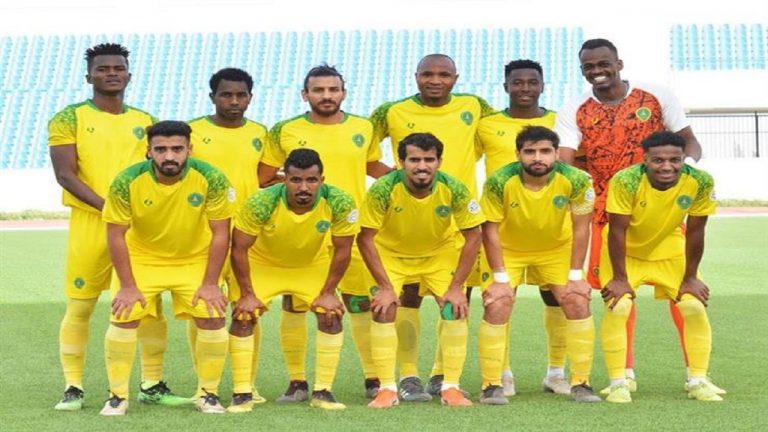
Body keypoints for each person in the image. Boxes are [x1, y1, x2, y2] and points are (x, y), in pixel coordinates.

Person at [555, 38, 723, 396]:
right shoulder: (575, 108)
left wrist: (685, 170)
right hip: (607, 212)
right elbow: (565, 159)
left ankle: (697, 375)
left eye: (604, 63)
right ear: (582, 70)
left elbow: (690, 141)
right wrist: (581, 186)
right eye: (589, 66)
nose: (597, 71)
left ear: (619, 63)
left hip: (662, 210)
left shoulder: (656, 96)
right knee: (619, 297)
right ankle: (624, 374)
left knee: (686, 297)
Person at [48, 43, 182, 411]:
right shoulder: (69, 117)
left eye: (118, 68)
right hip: (92, 224)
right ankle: (73, 387)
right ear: (88, 76)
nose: (111, 73)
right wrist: (109, 208)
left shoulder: (146, 120)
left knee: (148, 307)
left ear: (128, 75)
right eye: (103, 68)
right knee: (81, 306)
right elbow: (65, 174)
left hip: (137, 229)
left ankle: (151, 384)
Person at [257, 64, 390, 401]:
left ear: (344, 93)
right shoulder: (285, 130)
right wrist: (300, 188)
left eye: (333, 89)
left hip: (351, 229)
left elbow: (372, 166)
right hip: (303, 233)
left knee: (359, 303)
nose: (326, 96)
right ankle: (297, 381)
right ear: (305, 95)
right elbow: (263, 176)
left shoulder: (363, 127)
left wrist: (401, 179)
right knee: (295, 304)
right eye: (318, 90)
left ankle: (373, 378)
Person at [369, 54, 494, 399]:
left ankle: (442, 374)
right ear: (415, 76)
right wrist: (397, 179)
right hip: (407, 225)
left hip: (457, 222)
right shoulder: (391, 111)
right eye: (427, 74)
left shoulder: (476, 106)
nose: (435, 80)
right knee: (406, 298)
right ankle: (408, 376)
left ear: (456, 77)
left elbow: (500, 138)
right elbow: (363, 151)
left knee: (458, 299)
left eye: (443, 74)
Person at [99, 121, 236, 415]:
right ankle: (117, 396)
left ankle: (208, 394)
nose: (169, 156)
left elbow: (221, 232)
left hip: (193, 259)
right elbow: (115, 235)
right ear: (148, 151)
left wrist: (211, 283)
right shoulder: (126, 181)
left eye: (177, 149)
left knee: (212, 317)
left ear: (190, 149)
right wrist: (127, 286)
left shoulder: (212, 178)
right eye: (160, 149)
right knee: (123, 316)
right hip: (142, 259)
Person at [359, 133, 483, 408]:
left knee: (454, 308)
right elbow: (365, 238)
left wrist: (456, 288)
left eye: (429, 159)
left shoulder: (454, 187)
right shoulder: (383, 188)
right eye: (414, 160)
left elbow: (474, 235)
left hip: (438, 254)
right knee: (384, 309)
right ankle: (387, 389)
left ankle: (451, 387)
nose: (422, 166)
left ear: (439, 161)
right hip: (391, 255)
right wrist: (386, 287)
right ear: (401, 161)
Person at [479, 126, 600, 404]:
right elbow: (490, 230)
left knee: (577, 300)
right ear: (517, 154)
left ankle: (575, 380)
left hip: (556, 250)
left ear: (556, 153)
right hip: (508, 251)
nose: (537, 158)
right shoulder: (498, 181)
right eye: (530, 151)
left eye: (545, 151)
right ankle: (495, 381)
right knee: (498, 303)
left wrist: (575, 275)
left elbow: (581, 228)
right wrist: (499, 278)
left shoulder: (577, 180)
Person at [599, 131, 722, 403]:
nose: (667, 166)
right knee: (619, 307)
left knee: (693, 305)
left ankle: (698, 380)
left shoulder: (700, 181)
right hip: (626, 252)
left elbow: (696, 231)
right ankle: (619, 382)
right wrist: (619, 278)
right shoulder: (626, 180)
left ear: (683, 158)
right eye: (658, 160)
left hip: (669, 248)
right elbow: (617, 231)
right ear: (645, 159)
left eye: (674, 160)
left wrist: (691, 277)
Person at [231, 148, 359, 410]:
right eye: (296, 180)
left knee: (331, 314)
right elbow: (239, 248)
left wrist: (328, 292)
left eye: (311, 180)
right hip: (263, 264)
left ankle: (323, 393)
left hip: (310, 265)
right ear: (284, 179)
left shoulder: (339, 201)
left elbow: (343, 249)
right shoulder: (261, 202)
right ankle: (242, 394)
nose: (303, 187)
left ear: (322, 180)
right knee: (243, 316)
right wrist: (247, 294)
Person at [476, 59, 569, 397]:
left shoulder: (560, 120)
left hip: (551, 231)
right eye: (517, 82)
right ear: (506, 86)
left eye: (532, 82)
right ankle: (501, 374)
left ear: (542, 85)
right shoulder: (487, 125)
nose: (525, 88)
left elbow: (574, 165)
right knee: (500, 300)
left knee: (557, 300)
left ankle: (556, 373)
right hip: (502, 233)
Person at [187, 67, 269, 412]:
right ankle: (204, 387)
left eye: (240, 95)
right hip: (205, 233)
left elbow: (264, 177)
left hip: (248, 233)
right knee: (204, 307)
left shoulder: (260, 133)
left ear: (250, 97)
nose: (234, 101)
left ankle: (246, 384)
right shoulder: (193, 132)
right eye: (226, 94)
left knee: (248, 307)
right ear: (213, 97)